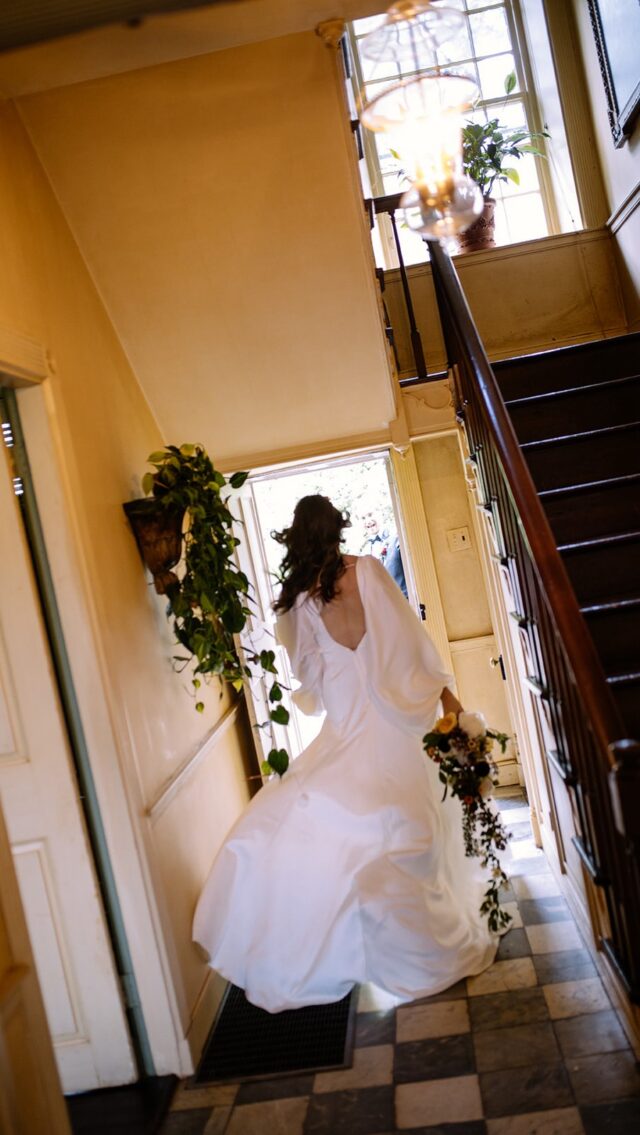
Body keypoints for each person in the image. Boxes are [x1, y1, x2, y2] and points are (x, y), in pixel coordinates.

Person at [192, 495, 497, 1013]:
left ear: (298, 538)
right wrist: (448, 704)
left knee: (320, 832)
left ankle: (356, 948)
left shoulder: (302, 603)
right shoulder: (372, 572)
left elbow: (311, 684)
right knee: (411, 834)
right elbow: (411, 644)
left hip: (348, 728)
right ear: (338, 530)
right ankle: (424, 950)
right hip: (399, 730)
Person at [361, 508, 408, 597]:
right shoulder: (365, 553)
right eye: (363, 518)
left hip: (405, 601)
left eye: (370, 514)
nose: (367, 521)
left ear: (380, 514)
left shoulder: (396, 537)